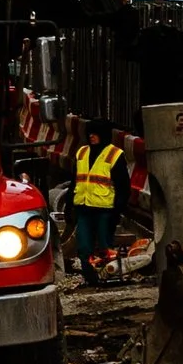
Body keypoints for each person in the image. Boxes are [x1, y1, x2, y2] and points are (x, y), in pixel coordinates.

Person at [69, 120, 127, 284]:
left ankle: (108, 277)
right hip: (84, 208)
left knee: (105, 247)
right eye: (89, 134)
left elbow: (123, 188)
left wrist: (116, 213)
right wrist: (70, 206)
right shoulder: (82, 152)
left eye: (95, 133)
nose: (91, 136)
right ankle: (92, 278)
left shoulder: (114, 155)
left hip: (104, 210)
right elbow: (74, 181)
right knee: (84, 247)